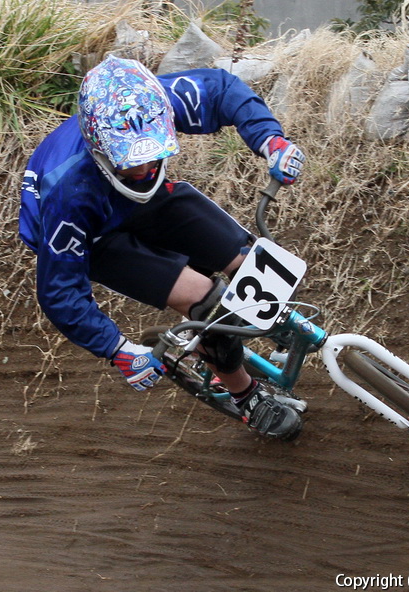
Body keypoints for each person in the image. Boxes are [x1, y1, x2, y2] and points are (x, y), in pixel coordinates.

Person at [18, 55, 306, 440]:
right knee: (205, 302)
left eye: (152, 155)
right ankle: (246, 396)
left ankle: (274, 326)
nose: (142, 169)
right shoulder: (66, 193)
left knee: (246, 259)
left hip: (146, 203)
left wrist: (270, 140)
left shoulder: (153, 102)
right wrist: (116, 348)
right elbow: (59, 291)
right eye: (130, 163)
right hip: (95, 236)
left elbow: (223, 91)